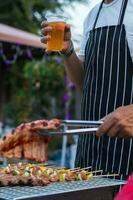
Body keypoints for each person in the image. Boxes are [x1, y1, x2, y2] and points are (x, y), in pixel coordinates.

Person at [41, 0, 133, 180]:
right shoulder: (92, 16)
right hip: (89, 154)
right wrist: (67, 51)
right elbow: (85, 83)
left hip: (126, 154)